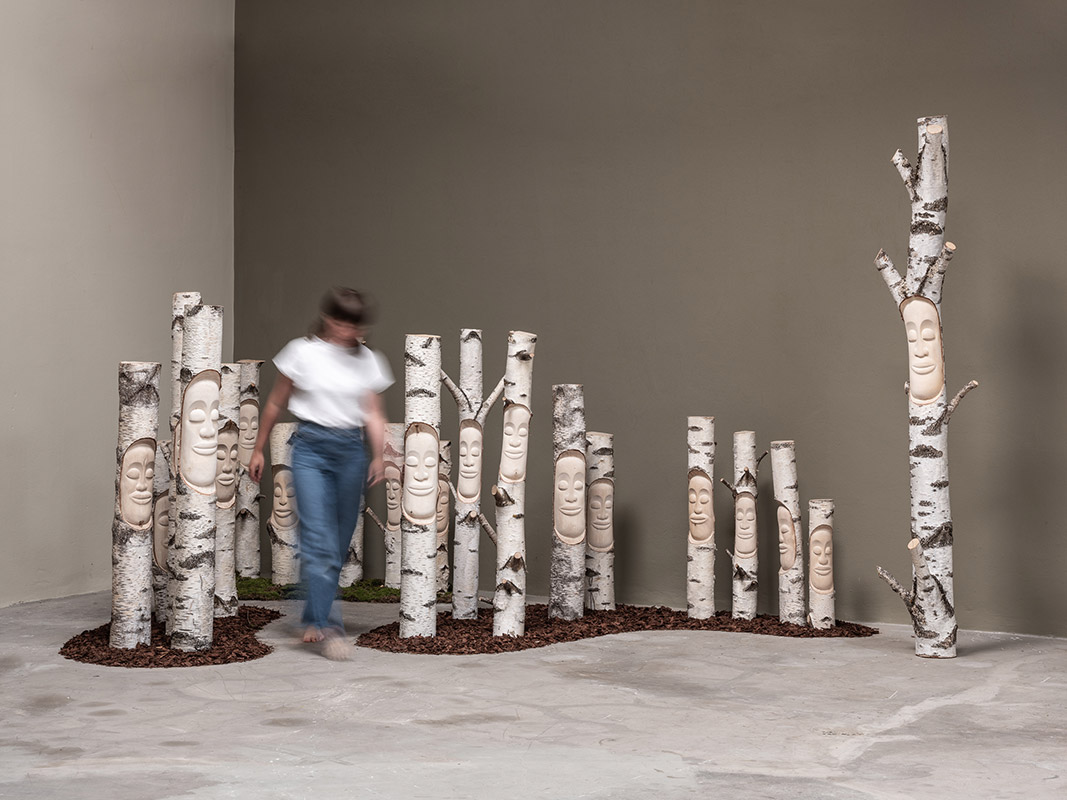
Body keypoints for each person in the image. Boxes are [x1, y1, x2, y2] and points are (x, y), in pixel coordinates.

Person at [249, 287, 392, 660]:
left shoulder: (369, 360)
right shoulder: (301, 352)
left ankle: (312, 615)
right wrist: (258, 447)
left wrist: (379, 456)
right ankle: (330, 628)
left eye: (356, 324)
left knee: (338, 545)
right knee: (320, 543)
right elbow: (277, 401)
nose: (349, 330)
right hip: (311, 450)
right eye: (342, 322)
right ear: (329, 319)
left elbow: (373, 412)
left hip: (351, 453)